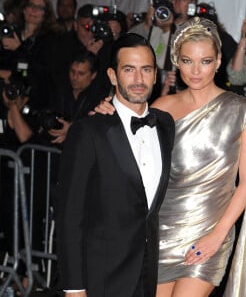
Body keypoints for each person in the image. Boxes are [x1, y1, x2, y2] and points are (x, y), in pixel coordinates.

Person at [95, 16, 246, 297]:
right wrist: (111, 114)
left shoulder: (241, 110)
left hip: (211, 232)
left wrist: (217, 236)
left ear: (218, 60)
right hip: (162, 232)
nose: (196, 71)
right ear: (177, 60)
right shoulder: (162, 107)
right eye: (188, 61)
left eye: (205, 61)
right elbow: (132, 154)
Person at [55, 33, 175, 297]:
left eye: (146, 70)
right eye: (128, 70)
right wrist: (74, 288)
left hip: (148, 277)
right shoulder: (89, 131)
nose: (138, 79)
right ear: (112, 75)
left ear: (156, 75)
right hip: (101, 278)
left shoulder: (165, 125)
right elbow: (69, 216)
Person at [47, 51, 102, 145]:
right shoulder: (60, 91)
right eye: (72, 71)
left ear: (93, 75)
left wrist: (72, 130)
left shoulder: (99, 97)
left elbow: (96, 128)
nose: (75, 77)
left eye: (81, 73)